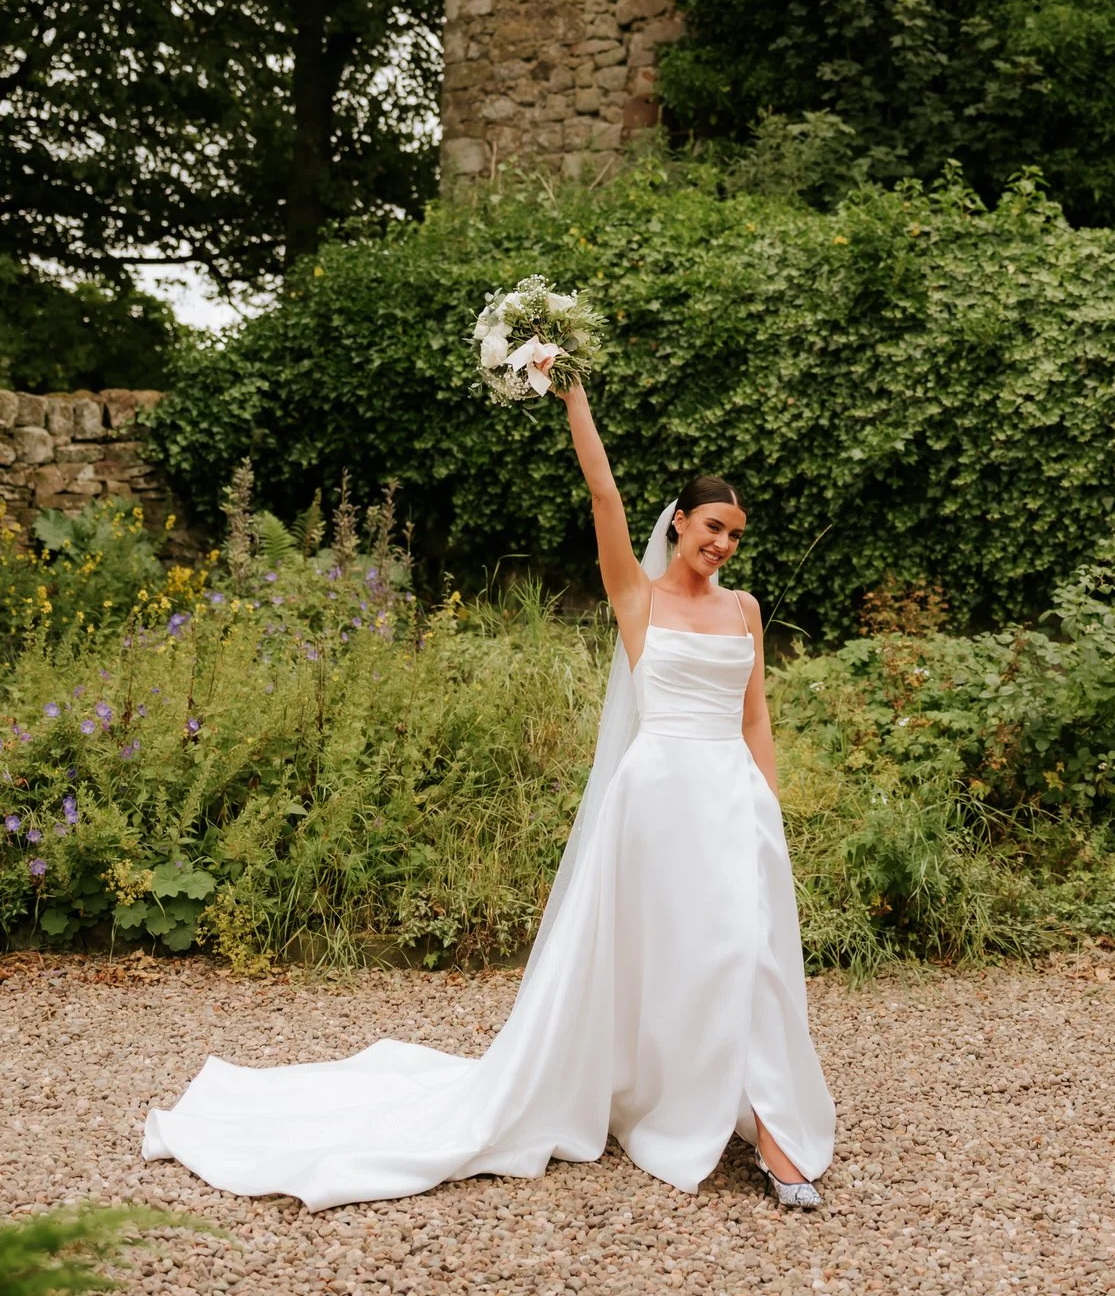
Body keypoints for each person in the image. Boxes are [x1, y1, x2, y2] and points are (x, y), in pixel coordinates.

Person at [142, 383, 835, 1210]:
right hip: (656, 802)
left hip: (732, 801)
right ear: (679, 523)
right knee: (684, 955)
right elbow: (602, 492)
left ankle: (767, 1124)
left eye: (734, 535)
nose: (722, 544)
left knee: (745, 948)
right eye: (711, 527)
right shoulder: (636, 598)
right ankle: (689, 1099)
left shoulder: (746, 611)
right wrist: (573, 393)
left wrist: (772, 809)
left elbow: (755, 717)